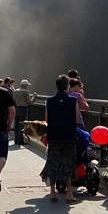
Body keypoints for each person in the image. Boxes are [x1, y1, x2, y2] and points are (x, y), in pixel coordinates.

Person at [40, 74, 79, 202]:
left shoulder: (49, 101)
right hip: (69, 136)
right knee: (68, 164)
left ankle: (52, 193)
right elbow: (77, 119)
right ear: (67, 87)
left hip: (54, 136)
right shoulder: (73, 101)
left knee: (52, 163)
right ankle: (69, 193)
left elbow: (46, 120)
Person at [13, 79, 37, 145]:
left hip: (16, 109)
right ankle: (20, 141)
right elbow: (30, 102)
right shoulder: (25, 92)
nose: (27, 86)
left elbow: (13, 101)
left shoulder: (15, 91)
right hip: (23, 109)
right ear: (25, 85)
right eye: (27, 85)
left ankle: (16, 140)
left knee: (16, 125)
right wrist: (34, 97)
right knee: (22, 125)